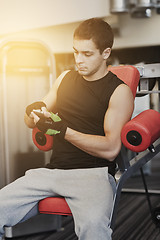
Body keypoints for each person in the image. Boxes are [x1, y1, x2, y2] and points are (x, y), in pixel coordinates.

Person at [0, 18, 134, 240]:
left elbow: (110, 149)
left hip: (92, 175)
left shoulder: (118, 92)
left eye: (87, 54)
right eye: (75, 52)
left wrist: (63, 130)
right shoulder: (64, 79)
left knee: (93, 228)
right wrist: (33, 112)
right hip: (52, 172)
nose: (79, 60)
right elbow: (31, 120)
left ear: (106, 53)